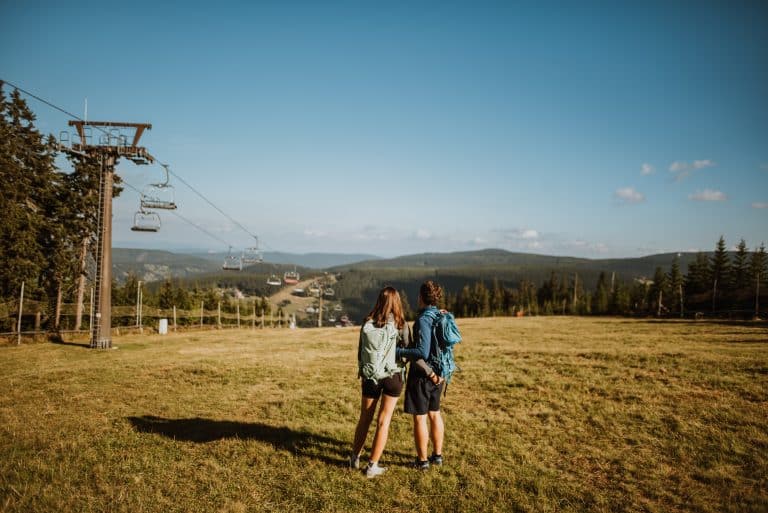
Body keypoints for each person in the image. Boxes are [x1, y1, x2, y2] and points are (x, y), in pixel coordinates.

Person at [349, 286, 409, 478]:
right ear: (397, 302)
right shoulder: (401, 324)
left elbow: (360, 351)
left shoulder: (368, 322)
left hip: (370, 376)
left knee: (365, 418)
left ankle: (354, 458)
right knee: (384, 421)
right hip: (393, 376)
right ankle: (372, 466)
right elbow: (407, 350)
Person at [397, 280, 445, 470]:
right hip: (439, 375)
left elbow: (421, 353)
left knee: (420, 417)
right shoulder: (440, 316)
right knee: (435, 414)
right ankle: (438, 456)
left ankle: (422, 461)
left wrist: (399, 352)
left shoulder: (424, 319)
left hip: (423, 377)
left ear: (421, 297)